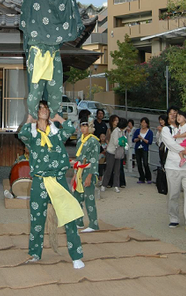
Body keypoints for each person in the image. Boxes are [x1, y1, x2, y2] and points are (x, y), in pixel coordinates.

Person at [18, 100, 85, 269]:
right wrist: (30, 119)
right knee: (37, 218)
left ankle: (76, 256)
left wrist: (58, 118)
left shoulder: (56, 133)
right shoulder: (32, 135)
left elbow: (71, 129)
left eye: (46, 108)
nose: (43, 111)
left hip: (58, 179)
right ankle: (35, 253)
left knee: (69, 216)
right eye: (40, 108)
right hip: (40, 180)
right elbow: (22, 135)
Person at [161, 106, 186, 232]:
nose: (174, 116)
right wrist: (185, 150)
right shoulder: (166, 130)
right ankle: (174, 218)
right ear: (168, 117)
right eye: (171, 114)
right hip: (173, 166)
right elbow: (170, 144)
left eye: (176, 114)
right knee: (173, 194)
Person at [72, 120, 100, 233]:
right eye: (82, 126)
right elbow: (78, 159)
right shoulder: (80, 141)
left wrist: (89, 176)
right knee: (77, 197)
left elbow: (94, 160)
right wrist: (74, 174)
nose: (83, 128)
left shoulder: (94, 141)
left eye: (86, 126)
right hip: (79, 171)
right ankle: (79, 221)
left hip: (88, 171)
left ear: (90, 127)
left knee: (89, 198)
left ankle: (93, 223)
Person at [101, 117, 127, 193]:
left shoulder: (122, 131)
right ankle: (104, 185)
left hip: (118, 152)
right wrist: (122, 142)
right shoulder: (116, 131)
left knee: (117, 169)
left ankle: (116, 185)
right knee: (109, 169)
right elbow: (116, 142)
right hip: (111, 152)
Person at [132, 117, 153, 184]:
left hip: (144, 149)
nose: (143, 124)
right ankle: (141, 178)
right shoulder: (137, 131)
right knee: (139, 163)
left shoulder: (150, 132)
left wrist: (142, 139)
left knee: (145, 163)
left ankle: (148, 177)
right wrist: (138, 139)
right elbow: (133, 139)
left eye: (145, 122)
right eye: (142, 122)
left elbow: (149, 142)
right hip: (138, 148)